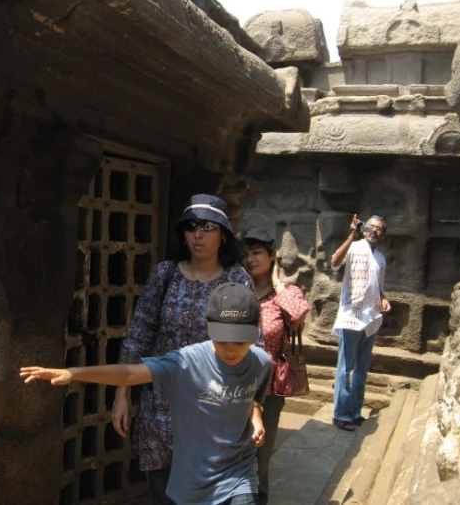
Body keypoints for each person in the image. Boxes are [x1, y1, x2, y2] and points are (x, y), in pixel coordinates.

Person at [22, 282, 272, 505]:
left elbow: (254, 395)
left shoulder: (261, 362)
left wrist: (256, 416)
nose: (231, 350)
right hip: (193, 481)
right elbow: (131, 374)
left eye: (240, 342)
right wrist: (74, 373)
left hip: (240, 472)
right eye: (223, 341)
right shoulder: (186, 362)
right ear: (208, 329)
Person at [112, 193, 252, 504]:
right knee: (162, 492)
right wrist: (121, 395)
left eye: (207, 226)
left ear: (223, 234)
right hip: (159, 407)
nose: (198, 234)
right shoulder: (165, 274)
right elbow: (139, 334)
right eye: (191, 226)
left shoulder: (237, 282)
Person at [240, 225, 310, 505]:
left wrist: (278, 282)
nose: (250, 259)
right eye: (245, 254)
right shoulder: (235, 290)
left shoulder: (284, 295)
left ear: (272, 256)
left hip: (267, 391)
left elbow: (299, 313)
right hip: (232, 386)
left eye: (257, 253)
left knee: (260, 460)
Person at [329, 214, 391, 432]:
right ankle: (341, 414)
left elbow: (379, 287)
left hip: (370, 318)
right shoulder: (354, 247)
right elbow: (335, 263)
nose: (375, 231)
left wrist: (383, 299)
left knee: (362, 369)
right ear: (364, 229)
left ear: (384, 234)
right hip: (351, 316)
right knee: (346, 369)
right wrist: (350, 237)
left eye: (380, 228)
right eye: (372, 226)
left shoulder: (381, 259)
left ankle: (354, 412)